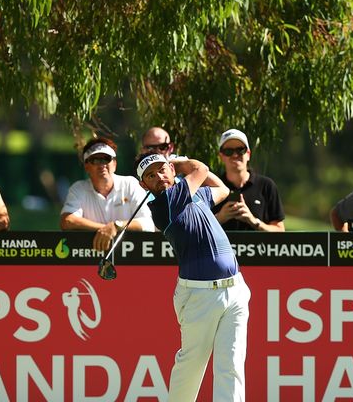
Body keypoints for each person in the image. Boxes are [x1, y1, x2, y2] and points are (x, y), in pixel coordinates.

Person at [135, 151, 251, 401]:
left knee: (231, 364)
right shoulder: (164, 204)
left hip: (235, 290)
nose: (159, 177)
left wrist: (173, 166)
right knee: (192, 366)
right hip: (200, 295)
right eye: (151, 176)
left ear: (171, 173)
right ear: (144, 185)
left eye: (162, 170)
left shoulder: (194, 195)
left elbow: (222, 189)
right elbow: (201, 169)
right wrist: (177, 162)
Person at [60, 137, 154, 251]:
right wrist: (106, 229)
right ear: (86, 166)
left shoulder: (131, 184)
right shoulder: (78, 188)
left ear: (114, 164)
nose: (102, 165)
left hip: (131, 256)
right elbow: (67, 221)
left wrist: (115, 226)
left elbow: (148, 224)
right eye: (95, 160)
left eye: (106, 159)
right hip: (92, 255)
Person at [212, 128, 285, 231]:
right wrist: (220, 217)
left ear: (248, 154)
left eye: (240, 150)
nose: (235, 155)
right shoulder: (212, 187)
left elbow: (280, 231)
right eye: (228, 151)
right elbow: (197, 231)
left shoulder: (266, 186)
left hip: (258, 247)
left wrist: (253, 221)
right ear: (221, 156)